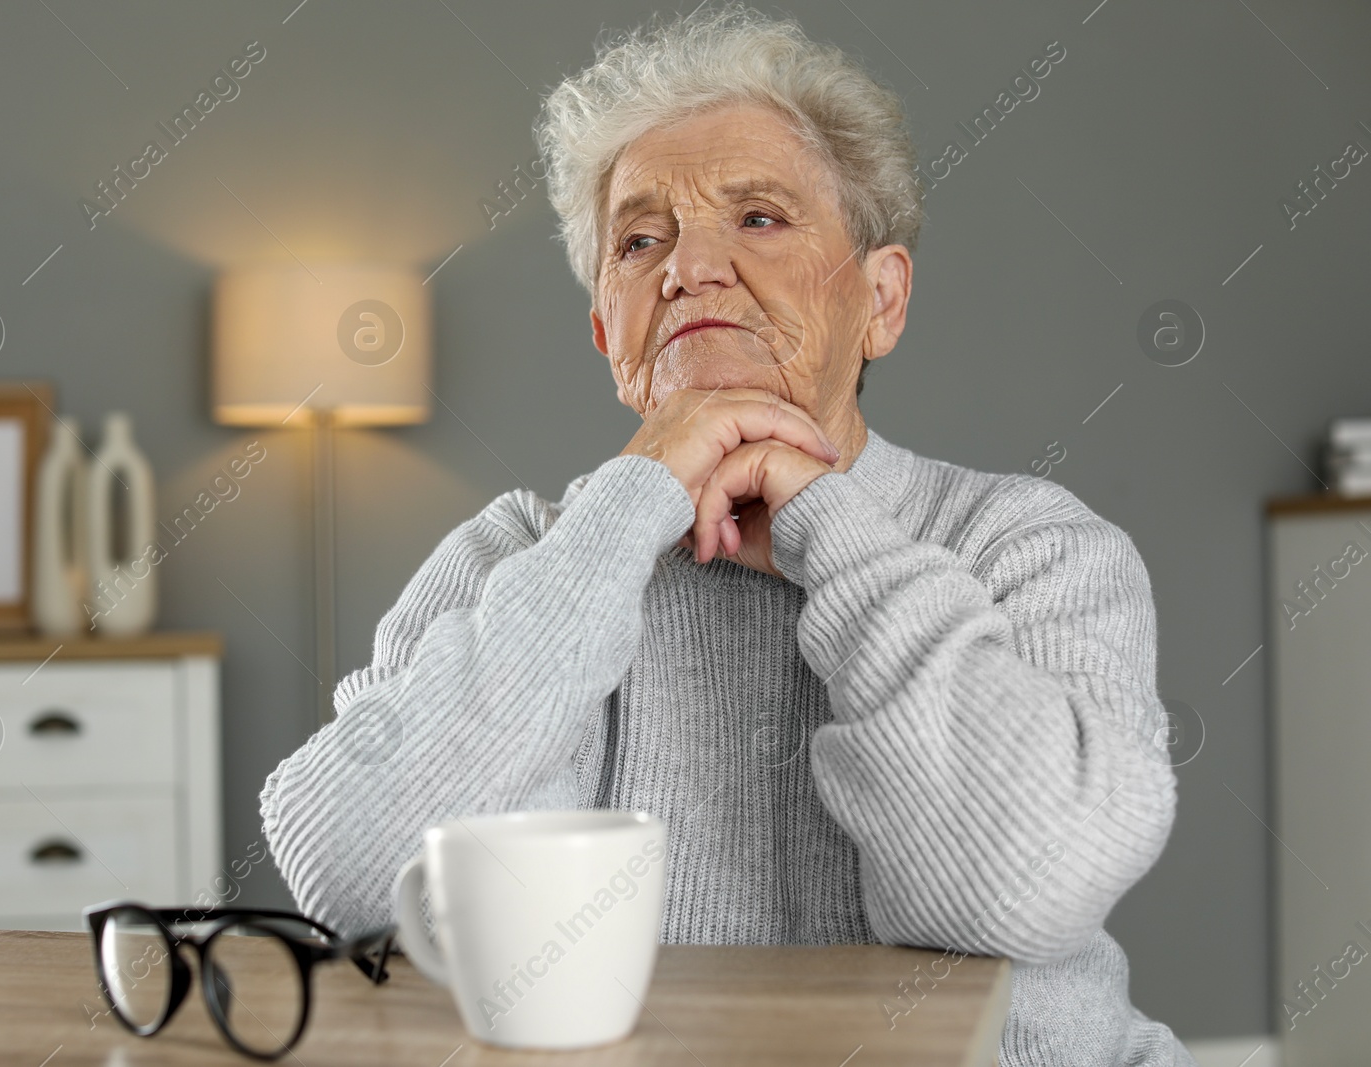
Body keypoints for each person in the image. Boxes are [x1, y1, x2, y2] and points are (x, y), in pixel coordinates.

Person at [261, 5, 1193, 1063]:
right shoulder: (518, 555)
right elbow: (350, 871)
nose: (687, 267)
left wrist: (827, 528)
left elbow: (1017, 889)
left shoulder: (1032, 544)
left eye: (758, 218)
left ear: (880, 301)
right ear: (610, 334)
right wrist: (624, 513)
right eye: (640, 237)